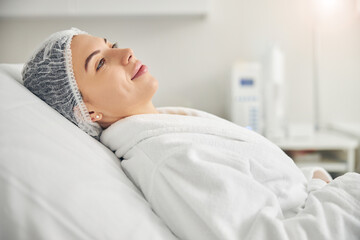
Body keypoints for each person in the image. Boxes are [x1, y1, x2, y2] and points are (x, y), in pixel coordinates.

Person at [23, 28, 360, 240]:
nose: (125, 54)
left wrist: (318, 184)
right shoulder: (170, 160)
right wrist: (337, 188)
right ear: (86, 112)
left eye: (112, 45)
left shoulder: (171, 126)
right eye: (100, 63)